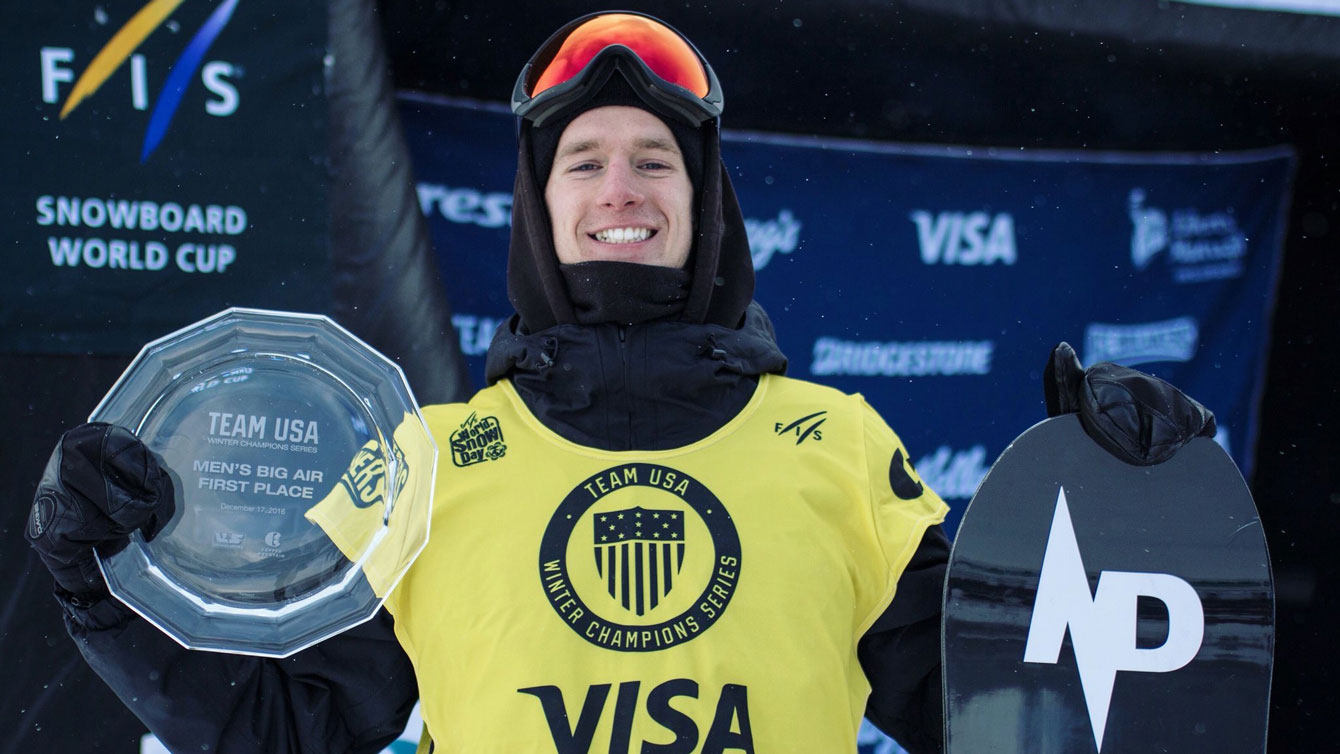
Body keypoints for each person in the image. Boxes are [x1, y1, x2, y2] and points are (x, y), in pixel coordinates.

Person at [25, 11, 1215, 754]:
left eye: (654, 161)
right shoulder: (430, 457)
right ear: (539, 212)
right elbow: (289, 726)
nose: (620, 189)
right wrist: (102, 580)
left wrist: (1120, 511)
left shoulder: (837, 445)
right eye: (582, 162)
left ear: (703, 207)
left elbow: (991, 716)